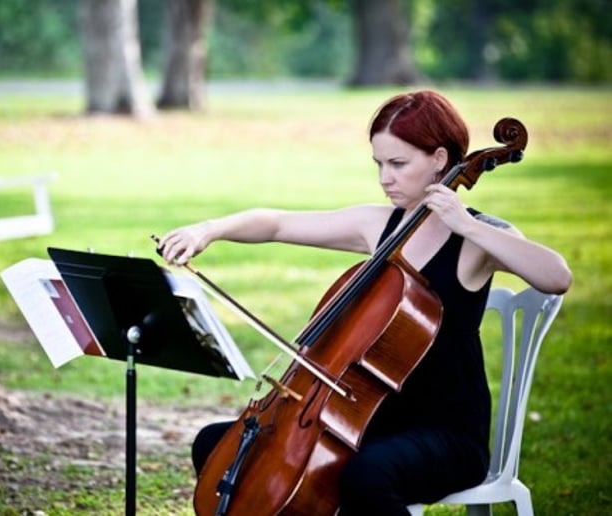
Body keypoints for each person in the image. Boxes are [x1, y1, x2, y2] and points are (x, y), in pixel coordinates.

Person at [157, 90, 572, 515]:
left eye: (398, 164)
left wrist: (465, 224)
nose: (385, 178)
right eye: (379, 164)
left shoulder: (477, 238)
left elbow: (556, 276)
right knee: (219, 445)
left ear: (439, 159)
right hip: (366, 421)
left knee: (368, 476)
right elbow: (277, 223)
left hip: (446, 433)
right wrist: (209, 229)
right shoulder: (379, 225)